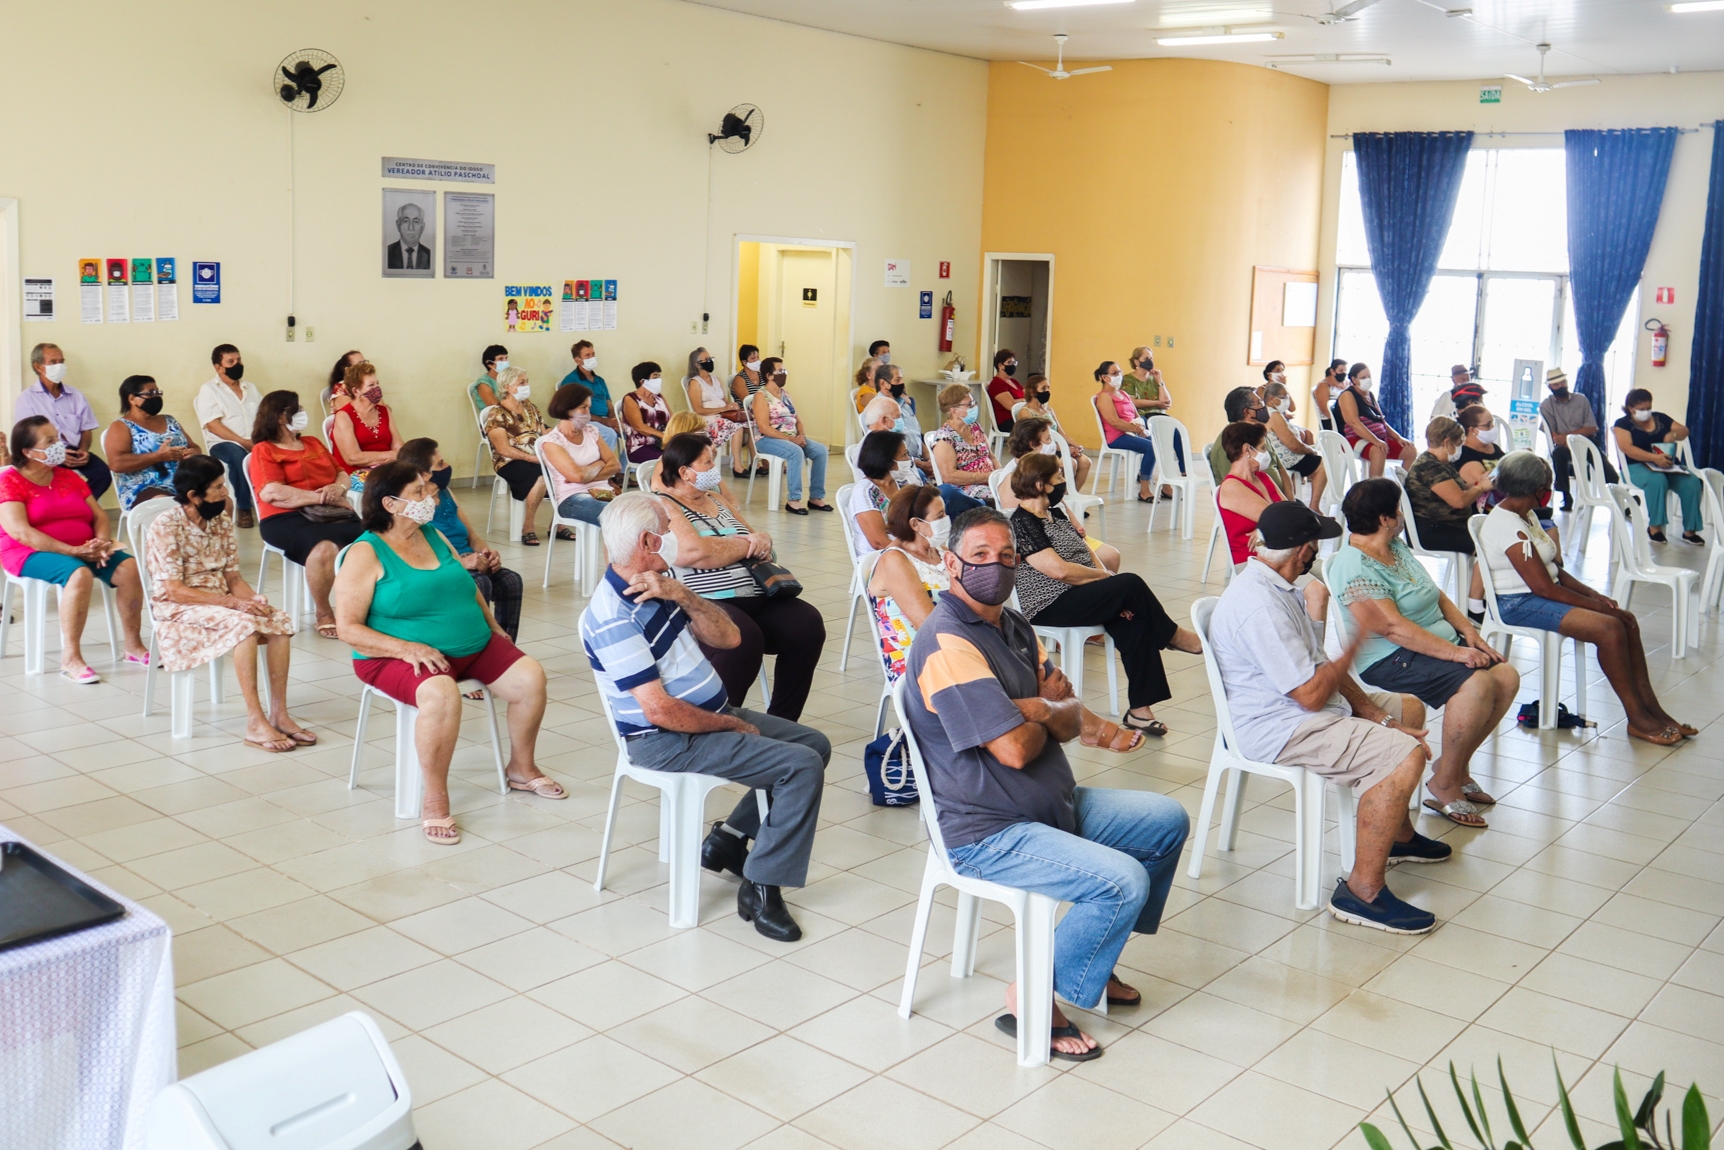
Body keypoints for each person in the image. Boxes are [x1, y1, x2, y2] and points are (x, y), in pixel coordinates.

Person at [901, 506, 1190, 1059]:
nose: (997, 567)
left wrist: (1035, 710)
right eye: (980, 556)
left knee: (1164, 822)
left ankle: (1090, 961)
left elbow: (1072, 713)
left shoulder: (1012, 625)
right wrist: (1043, 706)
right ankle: (1031, 995)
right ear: (950, 563)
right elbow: (1014, 748)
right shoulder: (947, 645)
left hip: (1049, 803)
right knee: (1122, 880)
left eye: (1007, 557)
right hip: (987, 830)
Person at [582, 492, 831, 941]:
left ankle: (730, 838)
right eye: (667, 532)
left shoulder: (658, 582)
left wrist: (681, 593)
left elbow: (731, 637)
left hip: (704, 714)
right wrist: (732, 724)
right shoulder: (613, 616)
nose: (675, 540)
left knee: (813, 743)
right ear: (647, 540)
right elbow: (658, 711)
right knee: (801, 765)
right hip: (666, 738)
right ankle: (763, 885)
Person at [1208, 500, 1448, 934]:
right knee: (1405, 754)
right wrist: (1356, 641)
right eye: (1315, 543)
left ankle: (1398, 836)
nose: (1318, 552)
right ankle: (1362, 892)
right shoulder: (1260, 607)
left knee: (1406, 706)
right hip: (1282, 728)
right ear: (1303, 550)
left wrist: (1374, 712)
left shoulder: (1279, 587)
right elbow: (1313, 694)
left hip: (1302, 711)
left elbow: (1317, 666)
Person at [335, 462, 563, 846]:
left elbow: (466, 586)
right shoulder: (365, 553)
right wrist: (407, 648)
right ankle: (435, 796)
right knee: (441, 694)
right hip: (394, 656)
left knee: (530, 677)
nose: (432, 497)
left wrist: (492, 627)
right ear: (390, 504)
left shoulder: (433, 534)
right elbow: (348, 629)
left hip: (471, 644)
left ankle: (522, 768)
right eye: (420, 492)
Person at [1330, 479, 1519, 828]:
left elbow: (1435, 594)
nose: (1402, 516)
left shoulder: (1394, 546)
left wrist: (1468, 633)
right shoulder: (1354, 565)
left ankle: (1453, 769)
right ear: (1386, 518)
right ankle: (1445, 783)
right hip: (1389, 658)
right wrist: (1456, 654)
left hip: (1432, 646)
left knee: (1505, 676)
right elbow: (1392, 629)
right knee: (1477, 683)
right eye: (1398, 510)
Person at [1480, 452, 1694, 745]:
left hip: (1538, 594)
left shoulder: (1526, 513)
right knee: (1609, 628)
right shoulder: (1506, 524)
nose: (1550, 489)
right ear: (1533, 488)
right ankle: (1637, 718)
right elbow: (1544, 588)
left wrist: (1594, 595)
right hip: (1517, 603)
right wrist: (1597, 608)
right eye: (1548, 484)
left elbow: (1555, 571)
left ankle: (1653, 710)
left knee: (1627, 620)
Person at [1009, 453, 1202, 736]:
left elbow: (1086, 553)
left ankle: (1139, 711)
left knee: (1132, 618)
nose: (1064, 482)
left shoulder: (1056, 514)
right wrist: (1105, 579)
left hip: (1081, 594)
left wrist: (1106, 582)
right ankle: (1173, 635)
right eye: (1058, 478)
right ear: (1040, 485)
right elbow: (1058, 571)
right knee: (1131, 584)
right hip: (1050, 604)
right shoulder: (1023, 523)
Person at [654, 433, 825, 720]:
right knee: (742, 639)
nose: (713, 468)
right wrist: (744, 545)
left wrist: (760, 540)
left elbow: (755, 538)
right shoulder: (665, 505)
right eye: (707, 463)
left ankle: (783, 721)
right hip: (704, 600)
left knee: (807, 625)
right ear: (684, 472)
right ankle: (717, 724)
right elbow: (694, 553)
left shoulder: (717, 499)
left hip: (756, 591)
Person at [145, 455, 311, 751]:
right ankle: (255, 720)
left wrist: (252, 598)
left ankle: (279, 713)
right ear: (194, 496)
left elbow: (233, 577)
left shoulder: (220, 520)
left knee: (278, 620)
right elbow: (173, 590)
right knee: (244, 625)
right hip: (180, 606)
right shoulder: (166, 525)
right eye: (219, 487)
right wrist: (235, 605)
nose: (226, 492)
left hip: (221, 600)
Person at [1, 416, 150, 681]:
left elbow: (99, 515)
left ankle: (133, 646)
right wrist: (72, 552)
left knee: (129, 567)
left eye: (57, 438)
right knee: (78, 573)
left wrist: (101, 542)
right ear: (28, 451)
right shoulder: (9, 481)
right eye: (50, 441)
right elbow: (21, 532)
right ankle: (71, 658)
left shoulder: (67, 475)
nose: (59, 445)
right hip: (27, 552)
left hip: (83, 548)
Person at [250, 389, 365, 639]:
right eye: (297, 409)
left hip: (331, 511)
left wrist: (339, 488)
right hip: (284, 518)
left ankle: (365, 609)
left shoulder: (313, 442)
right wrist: (320, 497)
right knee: (324, 547)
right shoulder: (264, 450)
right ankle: (323, 612)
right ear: (281, 417)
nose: (302, 413)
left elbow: (341, 472)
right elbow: (271, 492)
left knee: (373, 539)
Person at [396, 438, 523, 641]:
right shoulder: (414, 506)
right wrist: (462, 563)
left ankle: (506, 646)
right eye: (440, 464)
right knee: (480, 583)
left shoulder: (446, 493)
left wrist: (486, 554)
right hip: (444, 566)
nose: (447, 467)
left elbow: (472, 536)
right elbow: (416, 552)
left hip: (470, 560)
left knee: (510, 580)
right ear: (423, 474)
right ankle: (481, 645)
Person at [1404, 416, 1492, 620]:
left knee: (1492, 535)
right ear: (1447, 442)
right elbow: (1459, 500)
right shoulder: (1430, 467)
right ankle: (1474, 606)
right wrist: (1480, 488)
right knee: (1490, 544)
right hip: (1433, 531)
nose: (1460, 447)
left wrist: (1482, 481)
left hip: (1447, 525)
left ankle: (1477, 600)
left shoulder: (1441, 463)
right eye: (1459, 442)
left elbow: (1462, 489)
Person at [869, 484, 950, 684]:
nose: (946, 520)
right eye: (940, 516)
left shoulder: (938, 550)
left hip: (949, 644)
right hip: (917, 659)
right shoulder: (895, 561)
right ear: (915, 524)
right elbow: (928, 625)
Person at [17, 343, 110, 499]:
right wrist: (56, 455)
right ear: (38, 366)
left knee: (103, 474)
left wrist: (83, 450)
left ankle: (82, 507)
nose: (59, 366)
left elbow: (86, 429)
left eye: (61, 361)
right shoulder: (27, 398)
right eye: (53, 362)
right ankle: (66, 507)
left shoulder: (76, 395)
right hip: (45, 454)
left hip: (74, 451)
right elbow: (27, 437)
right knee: (54, 482)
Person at [1613, 388, 1704, 545]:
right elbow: (1627, 448)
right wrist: (1654, 458)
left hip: (1667, 464)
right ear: (1630, 408)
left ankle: (1690, 531)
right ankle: (1655, 527)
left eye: (1648, 408)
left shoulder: (1660, 418)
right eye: (1641, 409)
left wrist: (1674, 435)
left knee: (1692, 482)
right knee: (1657, 481)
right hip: (1636, 466)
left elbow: (1684, 430)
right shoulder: (1622, 424)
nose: (1646, 412)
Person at [481, 366, 555, 545]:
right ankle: (528, 526)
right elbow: (503, 449)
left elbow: (544, 432)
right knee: (540, 474)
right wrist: (533, 458)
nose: (526, 386)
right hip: (509, 462)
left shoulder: (530, 407)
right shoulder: (497, 414)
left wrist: (564, 432)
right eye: (522, 382)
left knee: (563, 469)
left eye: (526, 381)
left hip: (536, 457)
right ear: (507, 387)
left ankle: (557, 525)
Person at [749, 358, 831, 514]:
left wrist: (801, 435)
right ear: (769, 375)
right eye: (780, 371)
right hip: (767, 439)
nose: (784, 374)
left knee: (821, 451)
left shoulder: (786, 394)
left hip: (792, 437)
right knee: (795, 452)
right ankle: (793, 499)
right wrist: (792, 440)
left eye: (784, 371)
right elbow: (764, 428)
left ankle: (816, 497)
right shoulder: (761, 396)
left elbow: (797, 420)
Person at [194, 344, 263, 528]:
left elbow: (264, 414)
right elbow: (213, 425)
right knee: (238, 456)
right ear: (218, 367)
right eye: (231, 361)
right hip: (223, 443)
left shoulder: (251, 387)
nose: (237, 364)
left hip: (253, 440)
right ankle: (244, 508)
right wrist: (243, 442)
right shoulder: (209, 390)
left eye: (239, 360)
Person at [103, 375, 196, 512]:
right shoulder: (121, 427)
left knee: (222, 500)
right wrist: (158, 456)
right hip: (143, 487)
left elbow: (194, 447)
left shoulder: (170, 420)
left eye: (158, 392)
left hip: (183, 482)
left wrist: (193, 453)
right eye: (150, 393)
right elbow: (116, 464)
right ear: (132, 399)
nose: (156, 397)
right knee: (168, 507)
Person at [539, 382, 622, 529]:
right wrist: (600, 463)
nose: (588, 413)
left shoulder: (592, 431)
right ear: (567, 409)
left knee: (641, 509)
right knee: (615, 514)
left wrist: (584, 474)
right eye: (583, 408)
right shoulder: (552, 441)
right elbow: (577, 476)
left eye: (589, 408)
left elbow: (615, 465)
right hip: (571, 498)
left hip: (603, 493)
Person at [1541, 367, 1616, 510]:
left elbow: (1591, 428)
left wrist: (1569, 438)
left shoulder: (1581, 399)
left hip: (1585, 442)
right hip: (1563, 446)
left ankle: (1616, 491)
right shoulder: (1546, 405)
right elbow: (1553, 434)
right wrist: (1566, 440)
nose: (1560, 386)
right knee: (1558, 455)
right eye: (1556, 384)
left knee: (1599, 458)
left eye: (1562, 382)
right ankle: (1565, 496)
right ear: (1550, 387)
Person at [1217, 421, 1285, 568]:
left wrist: (1263, 528)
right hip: (1253, 562)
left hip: (1281, 555)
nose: (1267, 454)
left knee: (1330, 576)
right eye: (1262, 448)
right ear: (1247, 449)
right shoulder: (1232, 487)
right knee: (1320, 589)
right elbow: (1279, 520)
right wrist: (1268, 525)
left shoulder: (1263, 477)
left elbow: (1292, 512)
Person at [926, 384, 997, 517]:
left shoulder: (975, 427)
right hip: (967, 487)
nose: (974, 407)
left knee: (1021, 485)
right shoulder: (944, 437)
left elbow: (991, 457)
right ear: (954, 411)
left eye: (973, 403)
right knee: (1006, 495)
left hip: (990, 479)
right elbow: (949, 476)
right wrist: (987, 477)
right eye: (969, 405)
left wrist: (1001, 474)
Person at [1092, 361, 1160, 502]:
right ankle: (1144, 489)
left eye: (1120, 372)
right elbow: (1114, 421)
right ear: (1104, 377)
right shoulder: (1104, 396)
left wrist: (1140, 427)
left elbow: (1136, 415)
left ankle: (1165, 486)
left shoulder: (1123, 393)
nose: (1119, 376)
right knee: (1151, 447)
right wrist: (1135, 429)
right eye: (1114, 373)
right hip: (1117, 436)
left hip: (1133, 431)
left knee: (1160, 444)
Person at [1334, 363, 1415, 477]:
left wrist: (1398, 437)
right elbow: (1354, 423)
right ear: (1354, 380)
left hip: (1378, 439)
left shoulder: (1369, 395)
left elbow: (1382, 422)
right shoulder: (1348, 395)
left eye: (1369, 377)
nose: (1367, 380)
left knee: (1410, 450)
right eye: (1363, 378)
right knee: (1379, 450)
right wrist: (1376, 441)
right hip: (1355, 439)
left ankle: (1402, 482)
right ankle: (1374, 487)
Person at [330, 361, 402, 484]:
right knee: (398, 484)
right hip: (355, 472)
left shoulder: (384, 411)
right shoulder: (344, 416)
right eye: (371, 385)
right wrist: (391, 456)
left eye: (377, 384)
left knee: (419, 475)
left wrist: (396, 455)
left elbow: (399, 446)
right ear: (356, 391)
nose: (377, 389)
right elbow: (353, 458)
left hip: (385, 468)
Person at [848, 429, 917, 558]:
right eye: (903, 455)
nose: (908, 460)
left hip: (905, 549)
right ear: (886, 460)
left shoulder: (902, 483)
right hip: (880, 557)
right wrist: (916, 554)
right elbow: (879, 542)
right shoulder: (864, 493)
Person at [684, 347, 750, 480]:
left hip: (723, 415)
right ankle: (738, 466)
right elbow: (698, 409)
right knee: (736, 427)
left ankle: (757, 462)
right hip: (706, 418)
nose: (710, 361)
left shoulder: (716, 379)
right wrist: (722, 409)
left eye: (711, 359)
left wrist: (731, 406)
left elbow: (724, 401)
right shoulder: (695, 383)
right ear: (697, 364)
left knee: (750, 423)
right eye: (706, 359)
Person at [1017, 374, 1089, 491]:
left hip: (1058, 447)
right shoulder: (1025, 412)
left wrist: (1076, 445)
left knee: (1085, 461)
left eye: (1048, 388)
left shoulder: (1049, 410)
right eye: (1043, 388)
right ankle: (1062, 496)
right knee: (1071, 463)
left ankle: (1072, 494)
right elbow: (1035, 440)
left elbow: (1061, 432)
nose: (1047, 391)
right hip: (1043, 451)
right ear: (1032, 391)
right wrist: (1064, 449)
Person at [1261, 380, 1325, 510]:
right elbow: (1293, 445)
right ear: (1271, 399)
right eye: (1283, 397)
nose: (1287, 400)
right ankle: (1315, 506)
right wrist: (1310, 450)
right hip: (1285, 459)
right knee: (1322, 464)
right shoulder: (1274, 415)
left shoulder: (1265, 412)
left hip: (1276, 456)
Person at [558, 340, 621, 453]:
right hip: (585, 421)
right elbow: (572, 411)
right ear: (578, 360)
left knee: (632, 431)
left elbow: (609, 405)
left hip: (605, 420)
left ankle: (625, 467)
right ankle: (604, 467)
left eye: (593, 354)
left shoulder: (600, 380)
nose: (592, 357)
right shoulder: (571, 381)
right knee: (609, 434)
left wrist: (613, 420)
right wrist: (603, 421)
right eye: (587, 355)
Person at [620, 361, 671, 465]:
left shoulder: (659, 397)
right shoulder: (630, 399)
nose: (659, 380)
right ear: (643, 381)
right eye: (655, 376)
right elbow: (639, 426)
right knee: (670, 459)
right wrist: (664, 436)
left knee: (688, 453)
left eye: (659, 376)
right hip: (640, 447)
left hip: (663, 444)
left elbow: (672, 418)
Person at [986, 349, 1023, 434]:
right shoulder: (997, 384)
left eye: (1014, 363)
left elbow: (1029, 396)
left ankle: (1057, 444)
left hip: (1019, 417)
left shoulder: (1014, 381)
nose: (1013, 365)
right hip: (1006, 421)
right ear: (1000, 366)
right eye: (1009, 362)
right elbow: (1011, 405)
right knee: (1036, 425)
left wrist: (1021, 400)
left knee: (1047, 418)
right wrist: (1023, 400)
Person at [386, 201, 431, 269]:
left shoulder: (430, 255)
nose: (411, 228)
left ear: (422, 227)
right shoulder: (386, 253)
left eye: (416, 222)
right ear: (398, 225)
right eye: (406, 221)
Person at [322, 350, 364, 416]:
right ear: (348, 370)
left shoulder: (369, 384)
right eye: (360, 364)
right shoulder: (340, 388)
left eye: (365, 362)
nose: (365, 367)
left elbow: (382, 409)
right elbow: (351, 413)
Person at [470, 344, 509, 412]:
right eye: (501, 359)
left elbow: (524, 401)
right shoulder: (483, 383)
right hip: (494, 419)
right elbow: (495, 406)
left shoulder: (507, 379)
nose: (505, 362)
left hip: (512, 415)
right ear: (489, 364)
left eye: (506, 358)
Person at [1313, 358, 1346, 432]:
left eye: (1345, 370)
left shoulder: (1346, 383)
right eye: (1341, 371)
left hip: (1345, 418)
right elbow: (1324, 410)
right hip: (1330, 421)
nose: (1343, 373)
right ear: (1332, 371)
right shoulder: (1323, 385)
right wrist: (1342, 421)